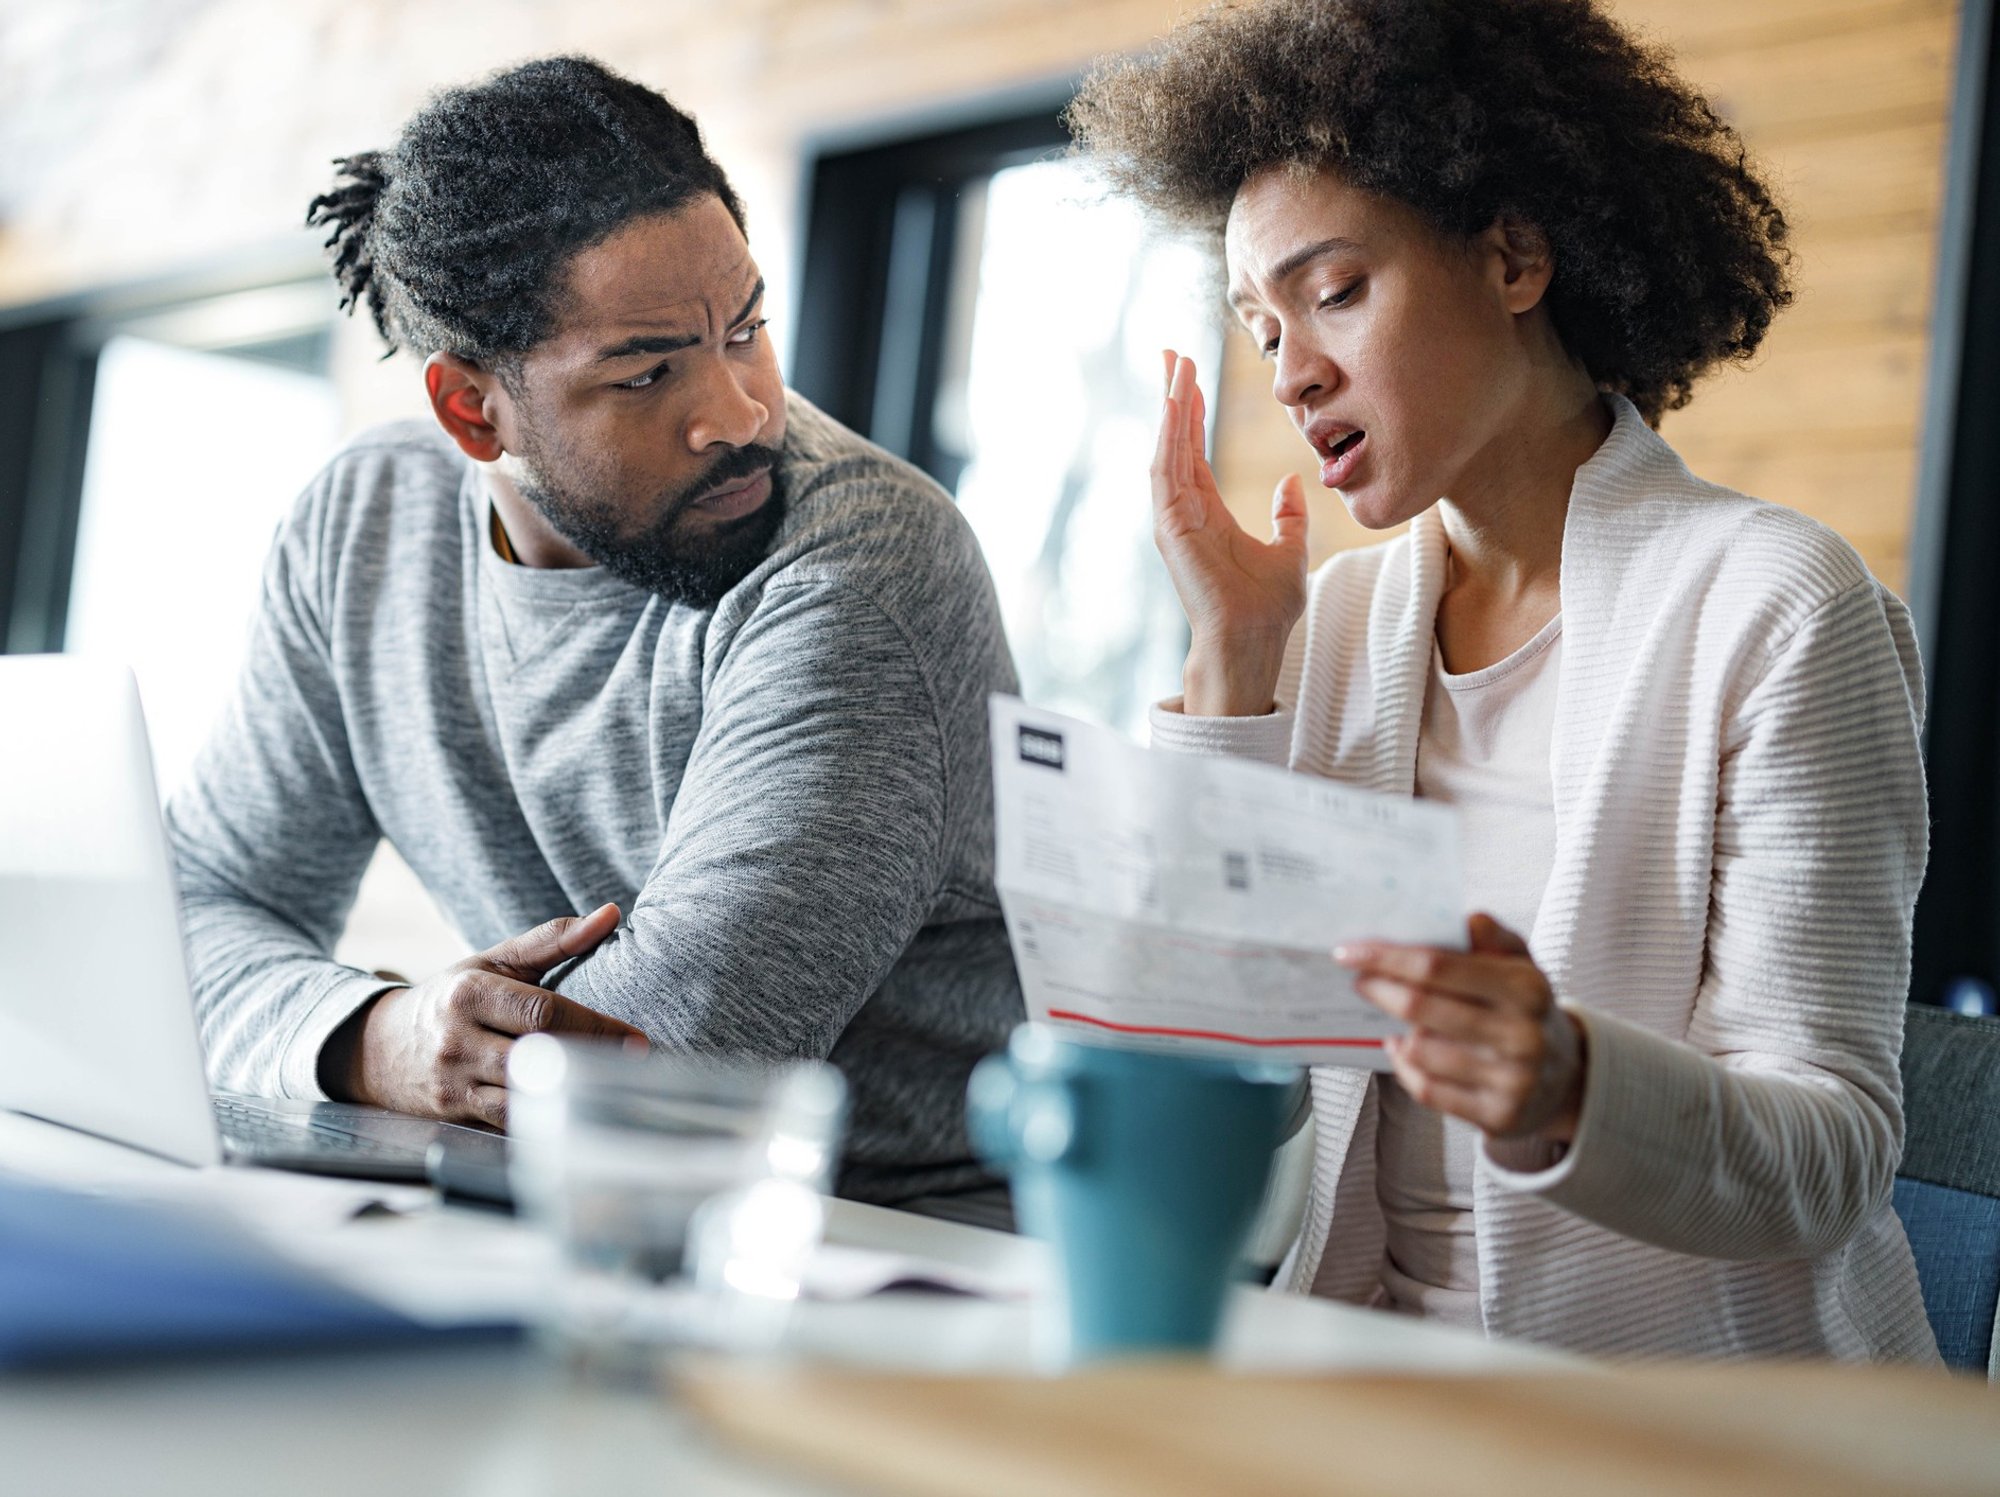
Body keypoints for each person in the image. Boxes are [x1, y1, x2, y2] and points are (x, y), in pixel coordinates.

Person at [1069, 0, 1937, 1359]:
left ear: (1516, 256)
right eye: (1260, 324)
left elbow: (1831, 1149)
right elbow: (1185, 1098)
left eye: (1336, 291)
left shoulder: (1779, 603)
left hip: (1682, 1418)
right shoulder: (1337, 624)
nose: (1293, 374)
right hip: (1374, 1374)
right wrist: (1231, 671)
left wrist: (1571, 1088)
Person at [168, 56, 1022, 1212]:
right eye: (648, 372)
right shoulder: (364, 527)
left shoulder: (860, 562)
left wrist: (441, 1049)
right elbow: (193, 908)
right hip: (542, 1201)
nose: (739, 412)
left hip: (900, 1239)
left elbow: (657, 1063)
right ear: (473, 410)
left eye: (746, 330)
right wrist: (378, 1034)